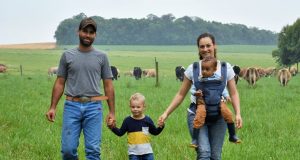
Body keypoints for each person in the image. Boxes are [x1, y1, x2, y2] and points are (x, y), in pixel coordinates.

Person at [158, 32, 242, 160]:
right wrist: (166, 113)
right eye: (201, 46)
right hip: (197, 114)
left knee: (215, 156)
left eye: (208, 45)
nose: (205, 49)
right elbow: (181, 94)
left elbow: (234, 93)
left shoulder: (226, 67)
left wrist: (238, 114)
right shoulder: (193, 68)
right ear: (198, 48)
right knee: (204, 153)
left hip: (219, 116)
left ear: (214, 46)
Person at [45, 17, 116, 160]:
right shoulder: (67, 55)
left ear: (95, 35)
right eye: (85, 31)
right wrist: (52, 107)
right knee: (68, 151)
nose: (88, 35)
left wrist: (112, 112)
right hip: (72, 106)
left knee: (93, 151)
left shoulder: (102, 57)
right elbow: (60, 82)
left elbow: (108, 85)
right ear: (78, 32)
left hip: (94, 107)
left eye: (91, 32)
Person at [190, 56, 241, 148]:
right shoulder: (199, 79)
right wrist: (196, 93)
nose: (204, 71)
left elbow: (222, 89)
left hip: (218, 101)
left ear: (214, 69)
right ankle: (195, 139)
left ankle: (232, 135)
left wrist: (227, 96)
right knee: (199, 115)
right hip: (203, 102)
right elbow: (192, 89)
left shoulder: (219, 79)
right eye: (202, 69)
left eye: (207, 69)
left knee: (228, 114)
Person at [107, 93, 164, 160]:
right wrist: (112, 127)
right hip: (134, 154)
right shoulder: (127, 121)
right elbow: (120, 133)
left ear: (144, 107)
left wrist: (161, 126)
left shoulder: (147, 120)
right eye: (133, 107)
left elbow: (155, 132)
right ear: (130, 106)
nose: (135, 109)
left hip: (147, 153)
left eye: (138, 107)